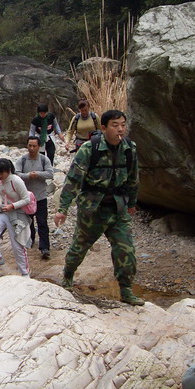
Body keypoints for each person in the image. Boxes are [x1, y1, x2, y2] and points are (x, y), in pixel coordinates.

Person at [53, 109, 144, 306]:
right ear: (103, 128)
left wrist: (132, 203)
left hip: (118, 209)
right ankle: (68, 276)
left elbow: (133, 178)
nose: (120, 129)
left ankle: (126, 290)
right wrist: (63, 208)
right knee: (79, 248)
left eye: (123, 124)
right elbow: (73, 179)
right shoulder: (89, 149)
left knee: (126, 250)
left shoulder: (129, 148)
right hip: (92, 210)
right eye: (115, 125)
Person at [0, 158, 32, 277]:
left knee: (17, 246)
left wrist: (12, 206)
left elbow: (27, 199)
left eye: (1, 173)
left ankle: (25, 272)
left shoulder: (16, 181)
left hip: (18, 214)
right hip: (5, 212)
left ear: (8, 171)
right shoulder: (0, 181)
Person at [15, 136, 54, 259]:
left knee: (42, 222)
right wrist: (27, 176)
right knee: (28, 222)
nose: (32, 148)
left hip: (41, 196)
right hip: (26, 197)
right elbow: (16, 175)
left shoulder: (44, 159)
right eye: (30, 146)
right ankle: (29, 241)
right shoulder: (22, 160)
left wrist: (37, 174)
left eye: (34, 146)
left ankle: (44, 248)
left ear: (39, 146)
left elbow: (50, 173)